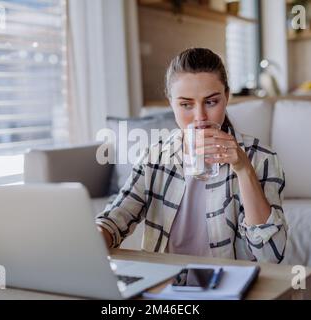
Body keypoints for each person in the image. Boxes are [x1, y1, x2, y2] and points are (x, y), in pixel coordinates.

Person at [96, 48, 287, 263]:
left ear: (227, 97)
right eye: (186, 104)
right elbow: (115, 219)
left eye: (211, 102)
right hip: (166, 283)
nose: (200, 117)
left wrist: (244, 170)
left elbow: (270, 255)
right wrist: (92, 238)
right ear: (171, 103)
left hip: (229, 285)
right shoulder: (154, 158)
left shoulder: (262, 158)